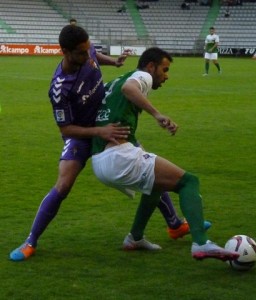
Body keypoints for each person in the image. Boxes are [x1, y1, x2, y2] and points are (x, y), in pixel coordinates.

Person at [9, 25, 207, 262]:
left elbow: (94, 55)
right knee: (63, 186)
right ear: (64, 51)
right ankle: (30, 241)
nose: (87, 55)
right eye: (81, 53)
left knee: (146, 163)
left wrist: (113, 62)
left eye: (88, 49)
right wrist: (98, 131)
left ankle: (175, 224)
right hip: (82, 134)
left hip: (105, 121)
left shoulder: (87, 51)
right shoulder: (60, 87)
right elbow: (65, 128)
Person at [91, 47, 239, 261]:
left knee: (156, 187)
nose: (166, 76)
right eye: (165, 69)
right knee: (189, 182)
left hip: (101, 159)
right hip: (118, 157)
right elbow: (129, 89)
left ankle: (135, 237)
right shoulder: (142, 76)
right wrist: (157, 114)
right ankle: (201, 243)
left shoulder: (113, 81)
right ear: (151, 66)